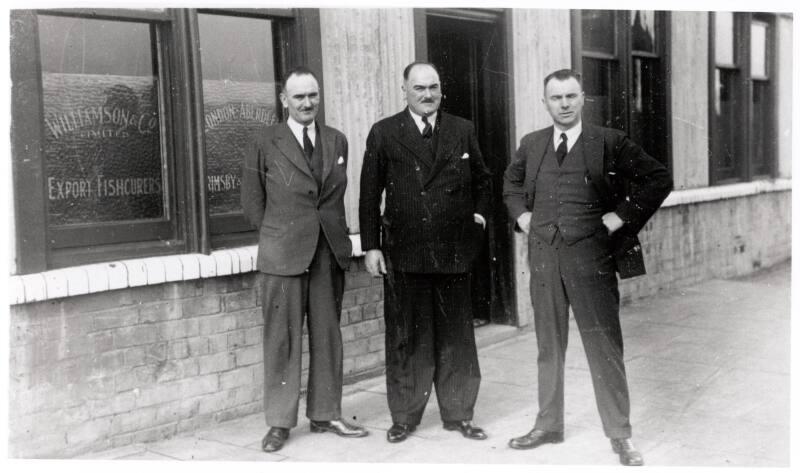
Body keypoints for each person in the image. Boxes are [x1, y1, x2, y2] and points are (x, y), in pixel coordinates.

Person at [502, 69, 672, 466]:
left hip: (591, 258)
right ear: (545, 102)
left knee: (604, 347)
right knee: (549, 346)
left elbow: (658, 178)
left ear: (583, 99)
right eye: (556, 98)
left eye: (571, 96)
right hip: (544, 258)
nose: (564, 104)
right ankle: (548, 425)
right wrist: (522, 218)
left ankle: (620, 435)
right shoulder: (532, 144)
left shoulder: (609, 142)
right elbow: (511, 185)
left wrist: (621, 217)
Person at [359, 62, 492, 444]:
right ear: (404, 89)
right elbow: (370, 194)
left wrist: (479, 216)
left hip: (453, 250)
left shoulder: (461, 129)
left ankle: (459, 413)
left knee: (457, 337)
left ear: (441, 90)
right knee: (407, 338)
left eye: (433, 87)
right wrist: (371, 246)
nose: (427, 94)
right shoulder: (384, 133)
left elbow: (483, 179)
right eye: (419, 88)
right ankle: (404, 416)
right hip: (406, 252)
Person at [241, 66, 368, 453]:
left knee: (328, 336)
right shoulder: (265, 142)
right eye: (299, 97)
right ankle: (279, 423)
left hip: (328, 253)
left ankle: (326, 413)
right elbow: (252, 202)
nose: (308, 103)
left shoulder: (336, 140)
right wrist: (281, 235)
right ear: (284, 100)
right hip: (283, 256)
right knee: (282, 339)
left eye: (313, 95)